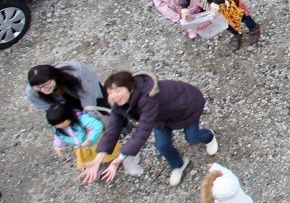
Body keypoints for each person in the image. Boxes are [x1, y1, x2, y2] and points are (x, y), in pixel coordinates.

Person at [82, 71, 218, 187]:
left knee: (192, 137)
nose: (114, 96)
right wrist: (97, 160)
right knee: (162, 145)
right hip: (161, 116)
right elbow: (113, 129)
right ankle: (179, 164)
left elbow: (142, 132)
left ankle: (209, 136)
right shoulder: (119, 103)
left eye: (118, 91)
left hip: (186, 107)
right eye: (110, 92)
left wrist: (119, 159)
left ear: (131, 88)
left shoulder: (148, 98)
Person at [45, 104, 114, 169]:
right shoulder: (57, 128)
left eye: (61, 122)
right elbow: (59, 136)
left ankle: (111, 162)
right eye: (56, 124)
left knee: (105, 154)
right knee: (88, 159)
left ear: (69, 116)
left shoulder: (82, 118)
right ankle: (97, 166)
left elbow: (98, 125)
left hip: (96, 142)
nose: (59, 126)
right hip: (80, 147)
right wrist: (57, 146)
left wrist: (90, 139)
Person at [26, 62, 105, 115]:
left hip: (88, 89)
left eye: (47, 84)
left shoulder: (74, 72)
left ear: (54, 76)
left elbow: (88, 92)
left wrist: (90, 114)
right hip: (64, 102)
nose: (44, 90)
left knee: (106, 108)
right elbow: (48, 110)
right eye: (38, 87)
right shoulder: (31, 92)